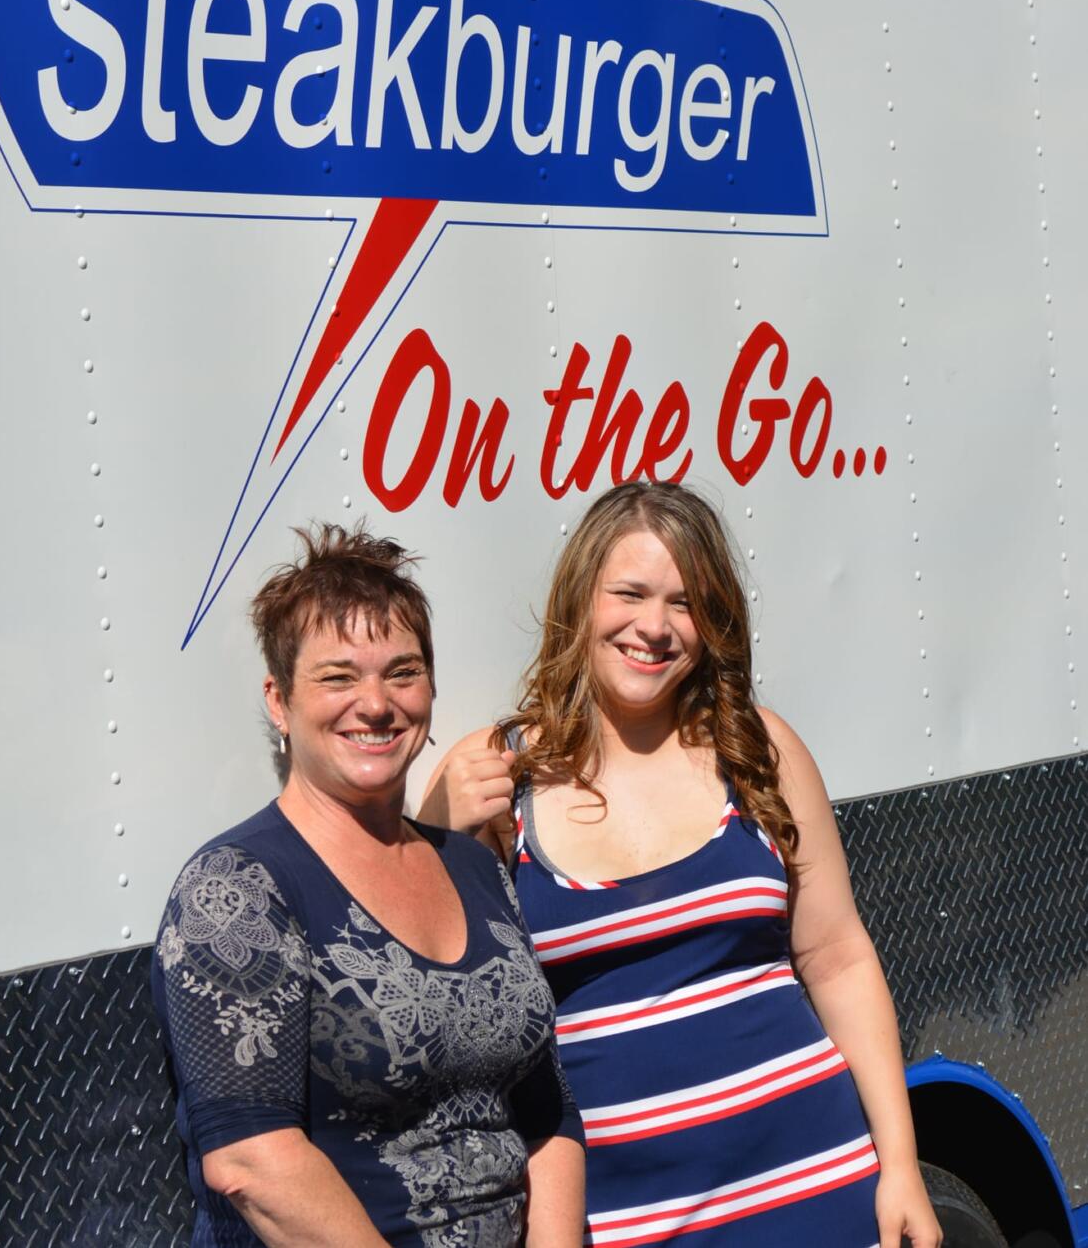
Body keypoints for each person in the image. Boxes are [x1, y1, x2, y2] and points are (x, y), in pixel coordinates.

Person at [421, 482, 941, 1248]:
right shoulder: (499, 777)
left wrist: (901, 1165)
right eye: (629, 593)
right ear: (580, 601)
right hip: (627, 1217)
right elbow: (430, 988)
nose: (655, 626)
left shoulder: (758, 748)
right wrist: (439, 829)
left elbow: (837, 958)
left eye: (684, 602)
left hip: (818, 1183)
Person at [152, 524, 586, 1248]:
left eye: (402, 671)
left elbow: (548, 1110)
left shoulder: (475, 865)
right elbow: (253, 1162)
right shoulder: (235, 889)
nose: (376, 702)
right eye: (338, 675)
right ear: (278, 698)